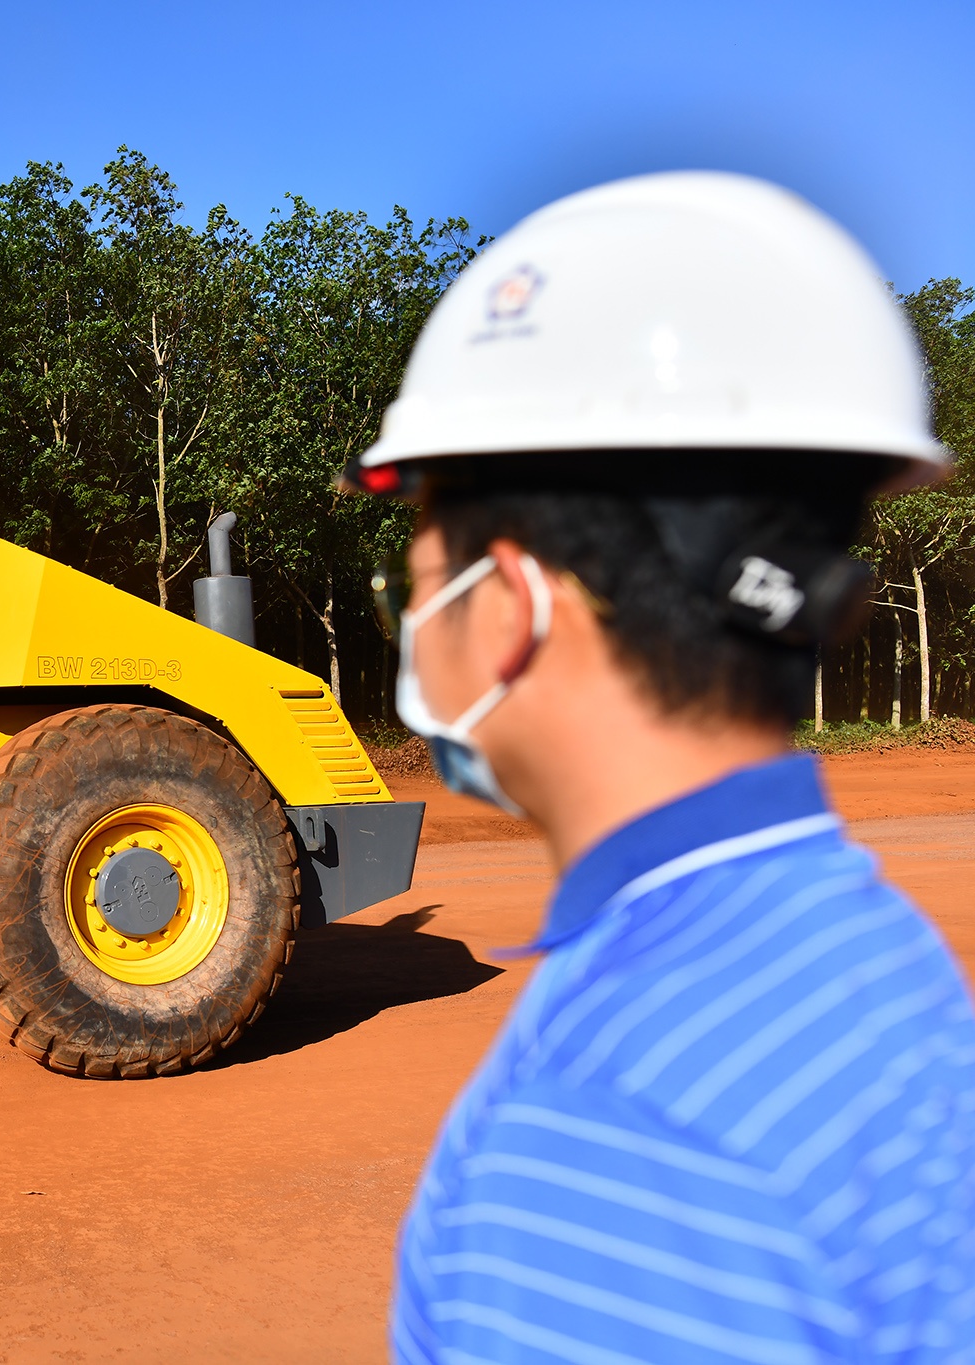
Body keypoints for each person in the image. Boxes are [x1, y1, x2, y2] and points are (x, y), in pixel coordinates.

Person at [342, 172, 975, 1362]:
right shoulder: (863, 956)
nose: (412, 634)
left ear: (511, 605)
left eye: (414, 589)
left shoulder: (604, 1132)